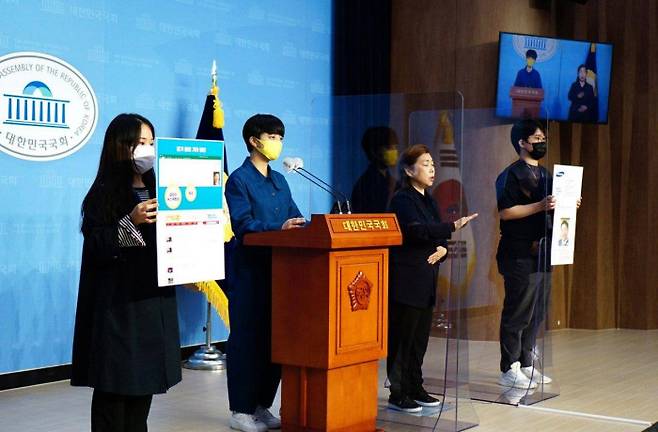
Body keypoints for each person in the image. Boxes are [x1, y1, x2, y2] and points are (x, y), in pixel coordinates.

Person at [71, 113, 182, 432]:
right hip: (119, 307)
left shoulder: (162, 189)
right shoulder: (103, 192)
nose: (147, 150)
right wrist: (130, 221)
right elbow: (97, 245)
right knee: (115, 389)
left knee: (142, 390)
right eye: (139, 143)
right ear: (120, 146)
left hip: (153, 302)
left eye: (151, 143)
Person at [225, 114, 306, 432]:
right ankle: (241, 410)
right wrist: (278, 227)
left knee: (275, 341)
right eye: (272, 137)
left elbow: (295, 217)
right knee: (247, 341)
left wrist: (307, 227)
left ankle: (262, 405)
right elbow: (243, 225)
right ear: (253, 141)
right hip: (250, 271)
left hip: (281, 272)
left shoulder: (280, 180)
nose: (277, 143)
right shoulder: (239, 179)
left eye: (280, 137)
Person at [387, 144, 478, 412]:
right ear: (408, 170)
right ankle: (398, 392)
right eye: (425, 164)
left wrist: (443, 249)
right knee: (403, 339)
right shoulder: (402, 200)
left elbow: (437, 237)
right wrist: (452, 226)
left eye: (433, 164)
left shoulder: (429, 199)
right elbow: (417, 231)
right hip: (407, 279)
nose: (432, 169)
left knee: (419, 340)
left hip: (427, 280)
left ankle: (416, 387)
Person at [495, 119, 581, 390]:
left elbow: (553, 208)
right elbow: (505, 212)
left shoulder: (545, 175)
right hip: (518, 252)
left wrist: (569, 204)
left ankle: (527, 363)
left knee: (537, 310)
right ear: (522, 142)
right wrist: (540, 205)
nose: (542, 143)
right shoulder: (510, 175)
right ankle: (509, 367)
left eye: (543, 138)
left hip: (544, 252)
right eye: (537, 138)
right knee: (518, 310)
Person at [350, 126, 399, 213]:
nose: (394, 152)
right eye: (389, 148)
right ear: (374, 151)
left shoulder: (392, 181)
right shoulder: (366, 185)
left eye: (395, 148)